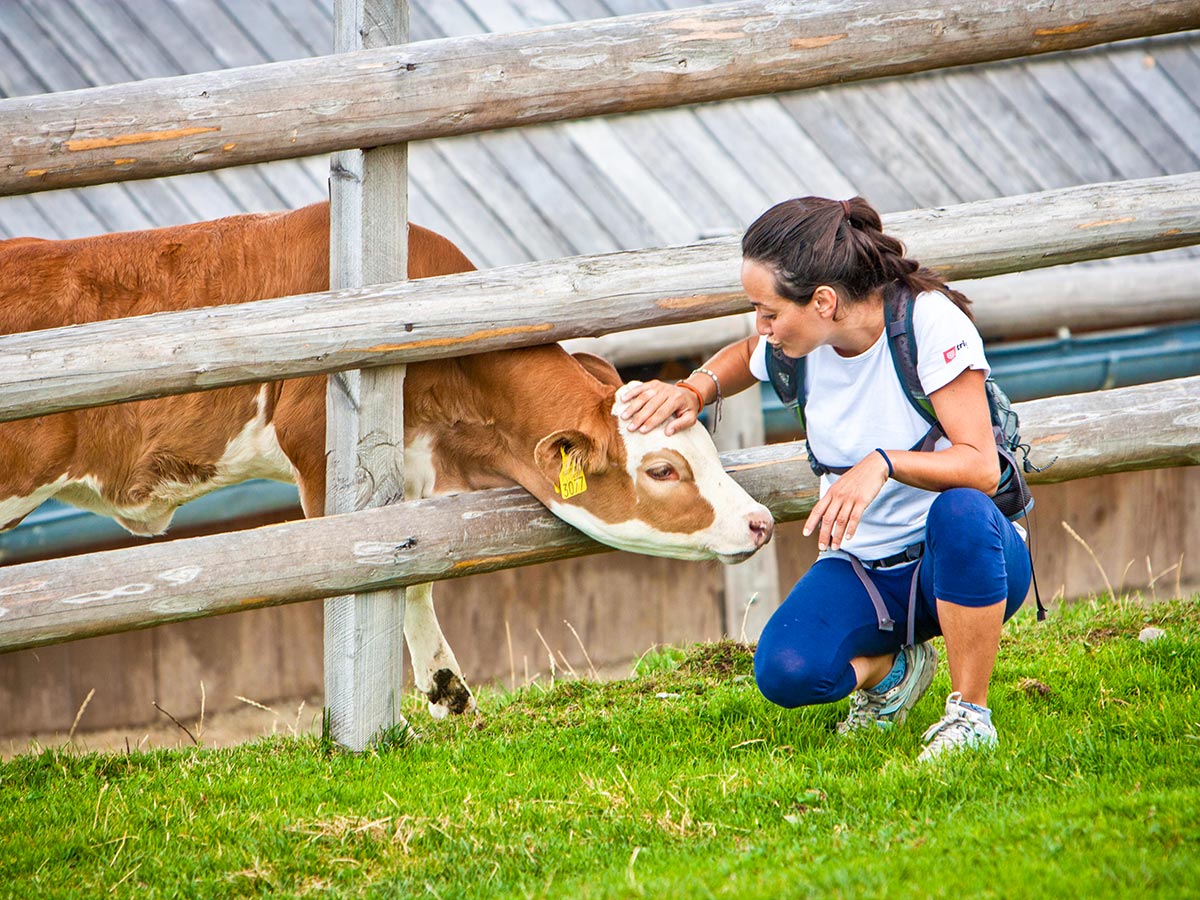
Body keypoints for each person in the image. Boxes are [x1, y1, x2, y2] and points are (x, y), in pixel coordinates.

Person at [619, 196, 1032, 762]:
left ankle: (969, 715)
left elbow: (982, 465)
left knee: (960, 511)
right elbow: (745, 355)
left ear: (823, 300)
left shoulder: (928, 322)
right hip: (867, 567)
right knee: (786, 672)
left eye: (768, 312)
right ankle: (896, 669)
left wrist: (883, 462)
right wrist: (693, 389)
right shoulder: (801, 343)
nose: (762, 328)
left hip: (967, 558)